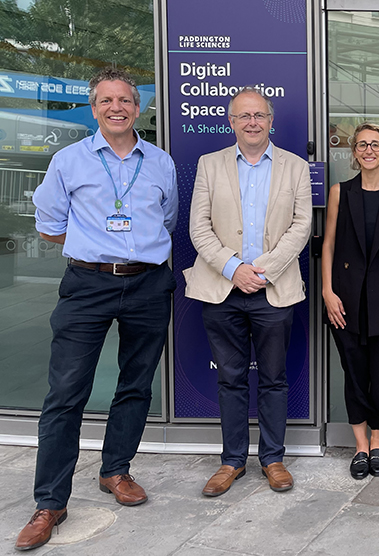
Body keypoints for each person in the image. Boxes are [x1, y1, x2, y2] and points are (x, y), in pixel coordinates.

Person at [19, 67, 178, 551]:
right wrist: (96, 245)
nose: (117, 108)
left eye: (125, 101)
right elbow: (49, 224)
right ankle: (50, 502)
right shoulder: (68, 161)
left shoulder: (161, 162)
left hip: (149, 283)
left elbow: (166, 218)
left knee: (136, 385)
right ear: (94, 109)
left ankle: (116, 471)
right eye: (107, 101)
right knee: (66, 392)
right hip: (87, 284)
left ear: (138, 108)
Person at [185, 87, 312, 497]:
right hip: (223, 290)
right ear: (231, 121)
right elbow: (198, 227)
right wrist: (233, 268)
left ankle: (273, 459)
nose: (253, 122)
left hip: (273, 291)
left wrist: (264, 270)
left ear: (271, 120)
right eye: (244, 116)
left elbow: (301, 227)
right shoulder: (210, 164)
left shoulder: (294, 167)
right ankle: (232, 461)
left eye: (259, 115)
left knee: (274, 380)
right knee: (231, 380)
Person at [321, 122, 379, 480]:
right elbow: (328, 245)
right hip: (345, 298)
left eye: (376, 144)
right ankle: (360, 446)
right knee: (355, 375)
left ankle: (377, 443)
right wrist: (328, 292)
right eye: (362, 145)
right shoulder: (340, 192)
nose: (369, 150)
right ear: (354, 152)